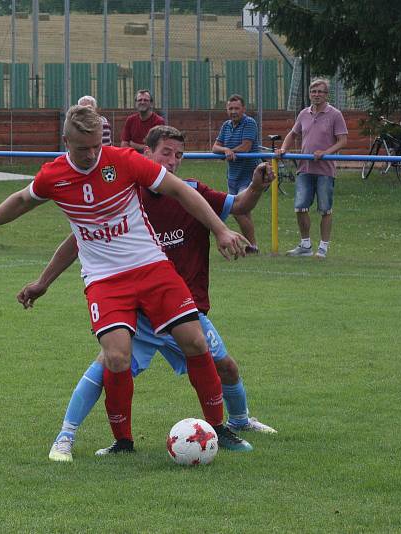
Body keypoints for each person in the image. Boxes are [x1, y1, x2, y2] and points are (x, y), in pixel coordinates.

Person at [0, 105, 251, 457]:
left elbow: (181, 190)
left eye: (96, 147)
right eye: (82, 149)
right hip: (105, 281)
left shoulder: (123, 161)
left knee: (196, 342)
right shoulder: (53, 176)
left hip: (152, 267)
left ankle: (217, 429)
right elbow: (19, 201)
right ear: (65, 142)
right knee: (116, 357)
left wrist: (222, 229)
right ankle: (123, 442)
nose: (91, 155)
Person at [15, 125, 277, 462]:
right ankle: (68, 435)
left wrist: (255, 186)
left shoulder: (191, 192)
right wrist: (43, 281)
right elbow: (78, 239)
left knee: (225, 365)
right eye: (165, 153)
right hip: (136, 312)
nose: (172, 160)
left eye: (179, 155)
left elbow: (240, 204)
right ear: (147, 154)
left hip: (181, 304)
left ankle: (237, 422)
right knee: (104, 368)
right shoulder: (126, 189)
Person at [276, 78, 348, 259]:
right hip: (305, 169)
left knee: (325, 209)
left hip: (325, 170)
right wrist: (283, 149)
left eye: (320, 92)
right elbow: (292, 134)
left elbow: (343, 140)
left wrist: (325, 152)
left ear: (326, 95)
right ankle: (305, 245)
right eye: (313, 91)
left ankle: (323, 247)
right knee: (300, 207)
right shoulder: (303, 114)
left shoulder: (335, 114)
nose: (316, 95)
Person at [212, 94, 262, 252]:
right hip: (233, 176)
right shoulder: (226, 125)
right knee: (241, 210)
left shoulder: (249, 123)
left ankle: (252, 245)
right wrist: (225, 150)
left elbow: (246, 147)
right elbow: (215, 147)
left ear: (243, 109)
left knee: (239, 210)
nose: (233, 111)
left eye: (236, 108)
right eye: (230, 108)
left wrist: (229, 151)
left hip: (249, 175)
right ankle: (252, 246)